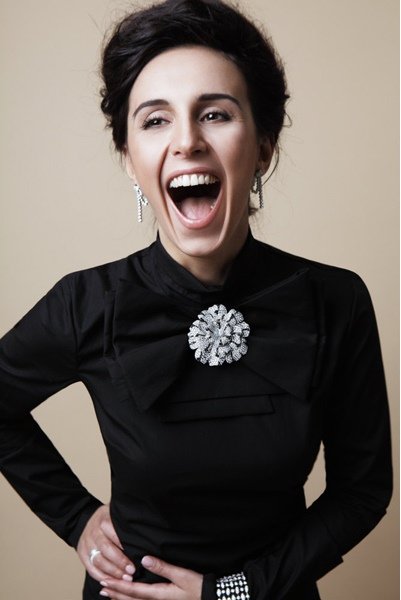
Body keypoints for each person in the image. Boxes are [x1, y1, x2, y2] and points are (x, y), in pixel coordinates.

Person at [0, 0, 393, 599]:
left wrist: (235, 590)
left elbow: (362, 491)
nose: (187, 141)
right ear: (129, 159)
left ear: (263, 146)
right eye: (155, 120)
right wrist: (74, 517)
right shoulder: (86, 302)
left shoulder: (335, 300)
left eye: (215, 114)